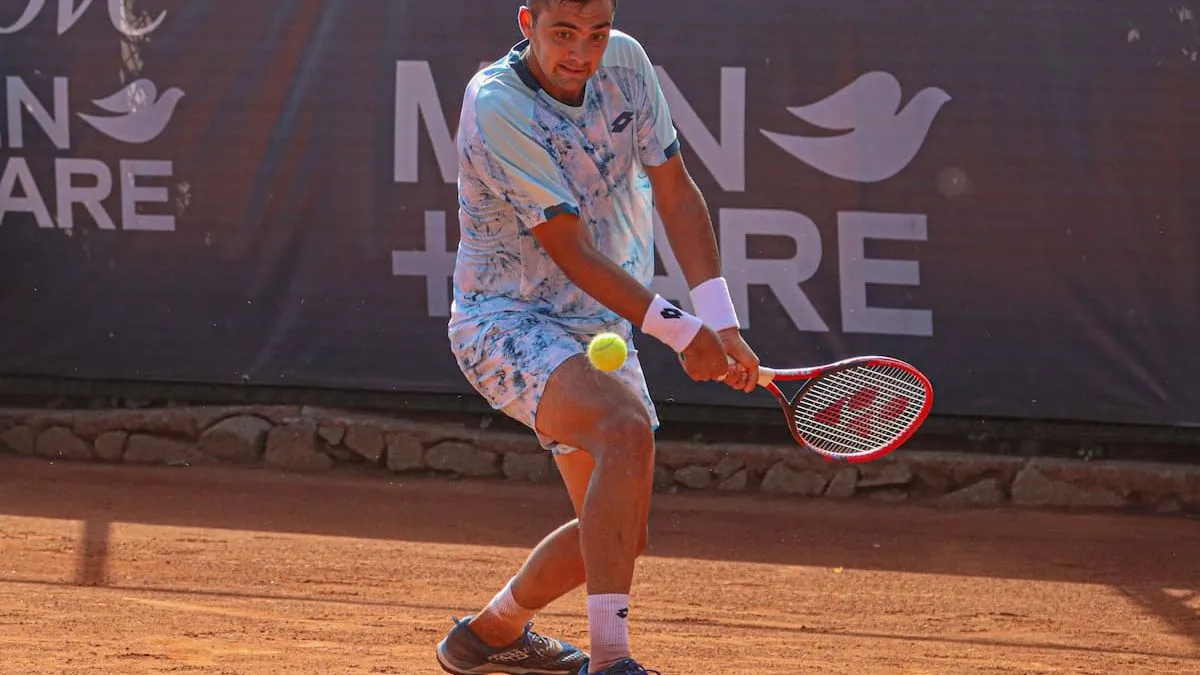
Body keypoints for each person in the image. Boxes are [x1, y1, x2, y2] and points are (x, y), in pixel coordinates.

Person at [435, 1, 760, 673]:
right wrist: (680, 330)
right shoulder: (496, 104)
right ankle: (611, 661)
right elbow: (571, 249)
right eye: (562, 34)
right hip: (507, 319)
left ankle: (491, 632)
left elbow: (674, 191)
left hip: (600, 324)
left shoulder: (628, 64)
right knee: (625, 428)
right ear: (527, 23)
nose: (582, 51)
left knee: (617, 533)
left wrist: (721, 321)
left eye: (597, 32)